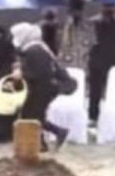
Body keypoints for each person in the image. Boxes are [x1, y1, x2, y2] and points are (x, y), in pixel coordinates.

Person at [10, 22, 73, 151]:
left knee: (31, 116)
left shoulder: (34, 50)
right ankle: (42, 143)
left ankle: (56, 133)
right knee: (34, 115)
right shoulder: (37, 48)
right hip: (44, 86)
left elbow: (40, 73)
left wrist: (22, 74)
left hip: (43, 88)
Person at [88, 3, 115, 122]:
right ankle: (98, 115)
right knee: (99, 92)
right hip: (108, 62)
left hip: (103, 62)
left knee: (100, 92)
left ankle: (95, 116)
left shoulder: (94, 22)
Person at [58, 0, 96, 75]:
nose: (76, 14)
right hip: (67, 69)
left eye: (78, 11)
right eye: (73, 11)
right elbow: (59, 46)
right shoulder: (62, 27)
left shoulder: (89, 27)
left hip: (83, 69)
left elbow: (93, 47)